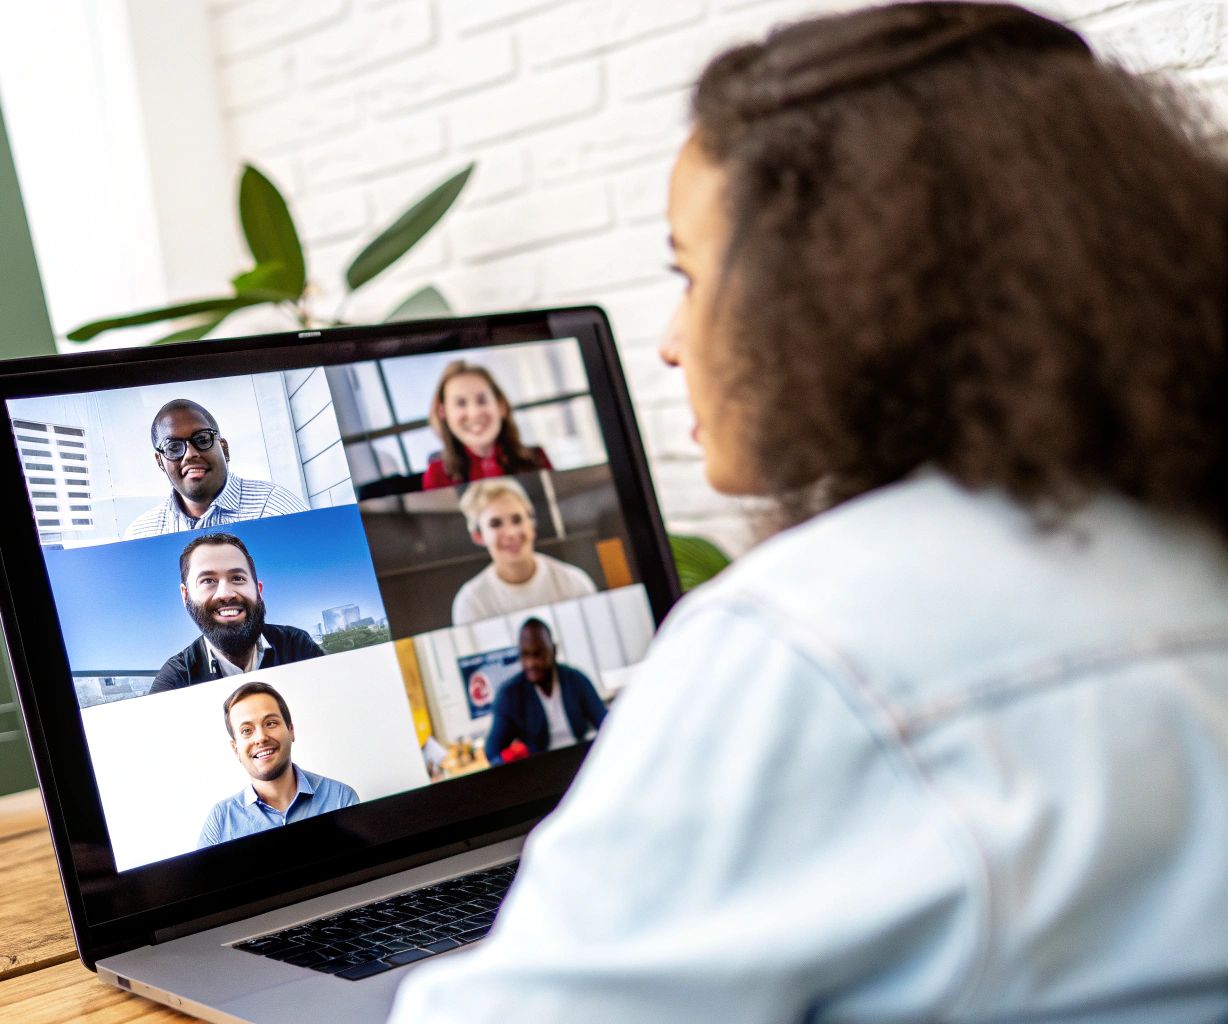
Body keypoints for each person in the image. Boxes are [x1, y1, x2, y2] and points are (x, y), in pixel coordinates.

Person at [391, 4, 1228, 1021]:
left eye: (688, 275)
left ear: (839, 287)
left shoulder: (802, 638)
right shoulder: (1184, 533)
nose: (667, 341)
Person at [152, 533, 325, 694]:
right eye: (208, 581)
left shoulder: (297, 645)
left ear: (259, 590)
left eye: (237, 578)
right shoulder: (174, 680)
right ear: (186, 595)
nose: (226, 594)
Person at [197, 681, 360, 847]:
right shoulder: (220, 822)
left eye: (270, 723)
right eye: (246, 730)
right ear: (235, 749)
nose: (261, 737)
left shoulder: (341, 798)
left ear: (291, 731)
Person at [123, 399, 308, 538]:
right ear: (160, 462)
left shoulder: (277, 510)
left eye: (203, 439)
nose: (190, 454)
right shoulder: (140, 535)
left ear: (224, 449)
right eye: (173, 447)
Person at [450, 478, 596, 624]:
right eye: (496, 524)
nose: (511, 533)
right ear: (479, 536)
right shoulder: (471, 603)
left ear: (532, 525)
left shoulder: (574, 583)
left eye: (517, 520)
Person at [481, 619, 606, 765]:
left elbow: (605, 723)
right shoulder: (510, 695)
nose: (531, 663)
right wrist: (514, 757)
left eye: (538, 654)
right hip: (539, 772)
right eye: (525, 655)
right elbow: (492, 753)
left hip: (581, 762)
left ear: (553, 651)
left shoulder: (576, 680)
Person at [420, 362, 552, 490]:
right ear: (443, 413)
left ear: (501, 406)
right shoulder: (436, 476)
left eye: (482, 400)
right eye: (460, 403)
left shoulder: (537, 459)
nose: (474, 413)